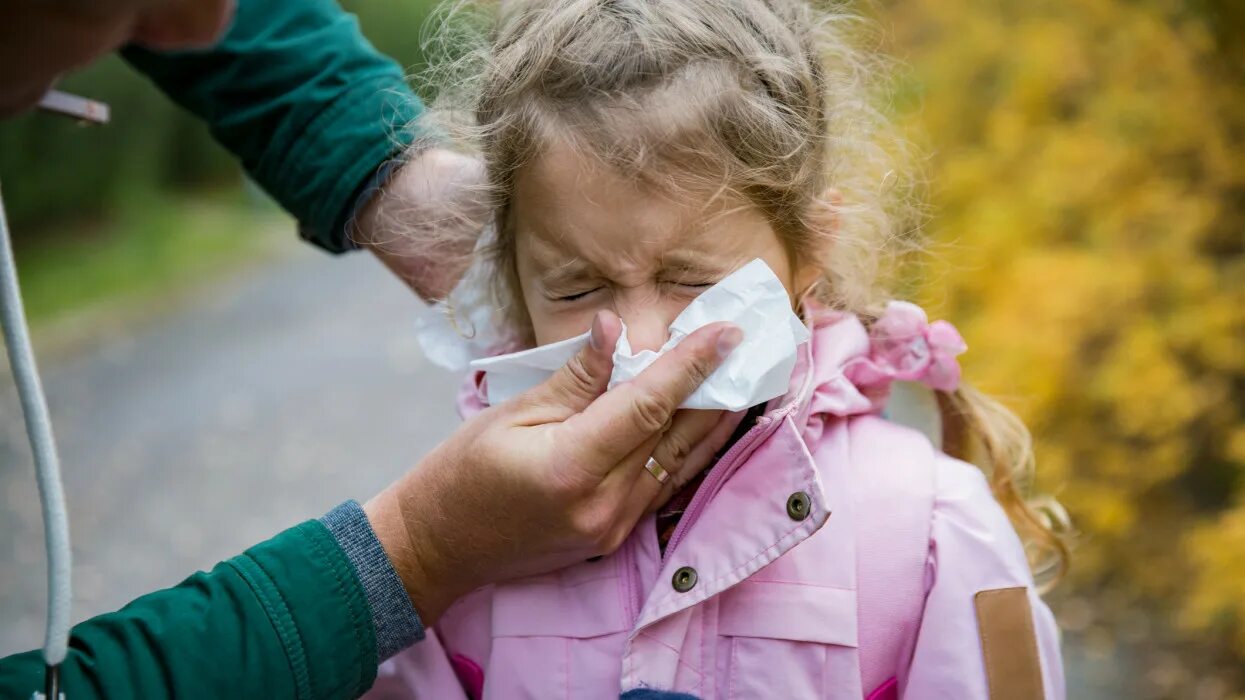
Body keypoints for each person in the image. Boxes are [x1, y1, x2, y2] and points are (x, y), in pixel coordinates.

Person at [0, 0, 743, 697]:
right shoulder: (482, 581)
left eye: (690, 277)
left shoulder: (863, 508)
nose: (198, 27)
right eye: (577, 289)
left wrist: (369, 159)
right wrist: (417, 551)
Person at [364, 0, 1070, 698]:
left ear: (809, 249)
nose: (638, 343)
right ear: (512, 280)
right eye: (577, 289)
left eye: (691, 281)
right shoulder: (466, 539)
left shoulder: (928, 536)